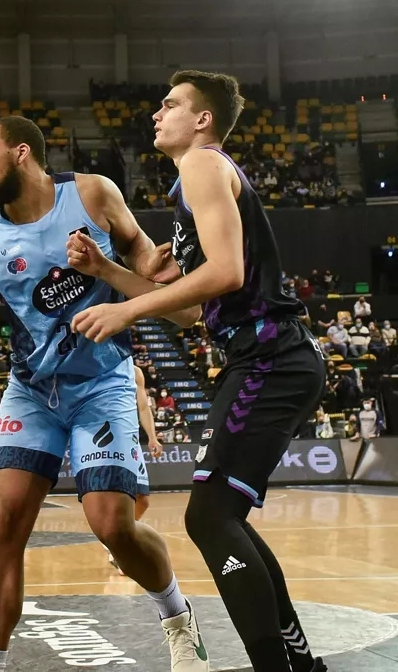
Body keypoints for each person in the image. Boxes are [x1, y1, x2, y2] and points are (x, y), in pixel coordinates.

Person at [69, 71, 328, 672]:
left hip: (271, 356)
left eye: (171, 104)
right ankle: (300, 663)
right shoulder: (193, 183)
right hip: (261, 359)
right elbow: (190, 309)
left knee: (209, 516)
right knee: (221, 516)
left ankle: (282, 666)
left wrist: (126, 307)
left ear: (203, 119)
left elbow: (229, 273)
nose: (157, 113)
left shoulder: (204, 165)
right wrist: (111, 272)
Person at [0, 116, 208, 672]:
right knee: (6, 520)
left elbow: (144, 261)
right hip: (32, 390)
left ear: (21, 153)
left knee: (112, 525)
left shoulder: (92, 193)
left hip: (102, 381)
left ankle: (178, 616)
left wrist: (145, 266)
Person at [108, 365, 164, 574]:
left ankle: (116, 539)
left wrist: (152, 436)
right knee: (115, 498)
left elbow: (142, 407)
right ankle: (117, 545)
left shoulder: (135, 371)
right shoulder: (97, 364)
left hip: (130, 439)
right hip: (105, 437)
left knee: (142, 499)